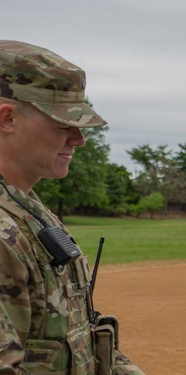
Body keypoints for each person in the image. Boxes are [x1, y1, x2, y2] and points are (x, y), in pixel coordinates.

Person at [0, 40, 144, 374]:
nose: (79, 139)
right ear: (7, 119)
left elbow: (77, 338)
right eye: (64, 124)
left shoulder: (30, 213)